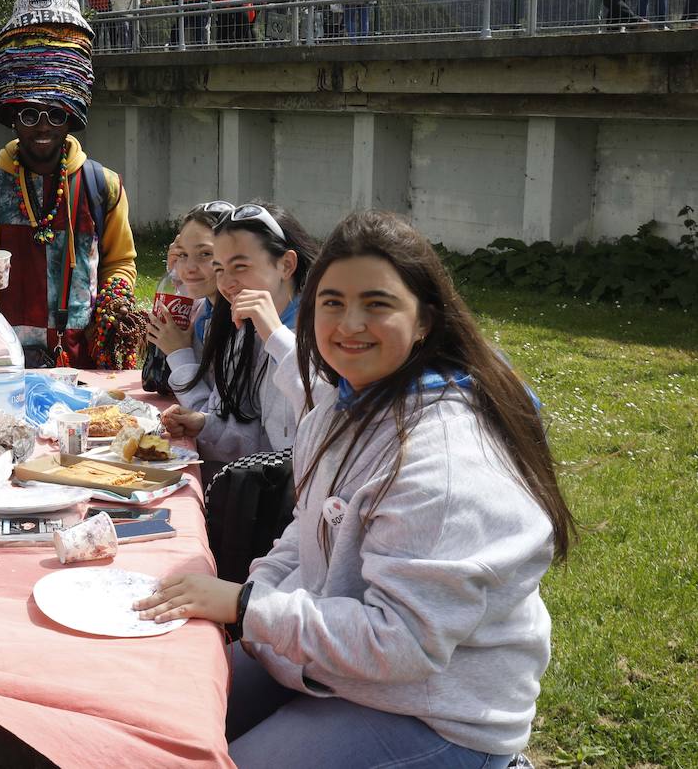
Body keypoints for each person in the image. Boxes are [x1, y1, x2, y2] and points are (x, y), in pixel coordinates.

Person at [135, 209, 574, 769]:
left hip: (431, 710)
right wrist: (258, 595)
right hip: (332, 661)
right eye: (333, 302)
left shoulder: (439, 458)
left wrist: (249, 607)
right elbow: (309, 523)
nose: (349, 325)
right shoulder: (339, 402)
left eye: (378, 304)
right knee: (169, 723)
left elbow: (403, 644)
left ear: (425, 321)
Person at [0, 0, 137, 370]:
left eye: (56, 114)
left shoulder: (104, 187)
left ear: (73, 116)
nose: (42, 127)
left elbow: (122, 262)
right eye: (29, 115)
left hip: (87, 367)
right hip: (1, 364)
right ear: (13, 117)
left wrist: (116, 298)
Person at [155, 202, 320, 471]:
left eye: (240, 266)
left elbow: (323, 416)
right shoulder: (249, 326)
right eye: (219, 268)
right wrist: (206, 425)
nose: (227, 283)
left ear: (287, 265)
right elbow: (262, 440)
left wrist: (275, 336)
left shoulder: (324, 336)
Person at [142, 202, 225, 398]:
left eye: (205, 254)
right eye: (183, 254)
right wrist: (176, 279)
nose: (189, 267)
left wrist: (179, 352)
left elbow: (212, 413)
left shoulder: (244, 326)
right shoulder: (203, 307)